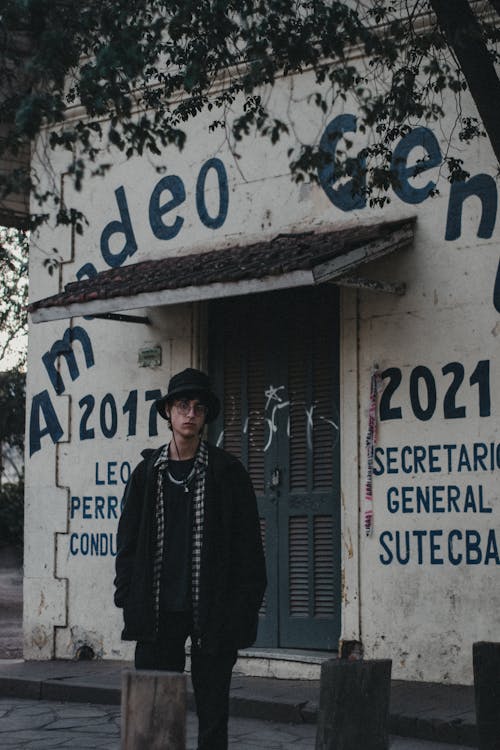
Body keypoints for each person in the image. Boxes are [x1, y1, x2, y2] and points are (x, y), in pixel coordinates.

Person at [114, 367, 267, 750]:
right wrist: (127, 596)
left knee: (213, 714)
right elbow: (128, 543)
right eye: (182, 404)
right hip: (157, 611)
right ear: (168, 411)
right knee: (154, 711)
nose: (190, 413)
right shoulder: (147, 474)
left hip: (212, 612)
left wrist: (243, 611)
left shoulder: (228, 473)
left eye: (198, 406)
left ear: (205, 416)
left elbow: (250, 552)